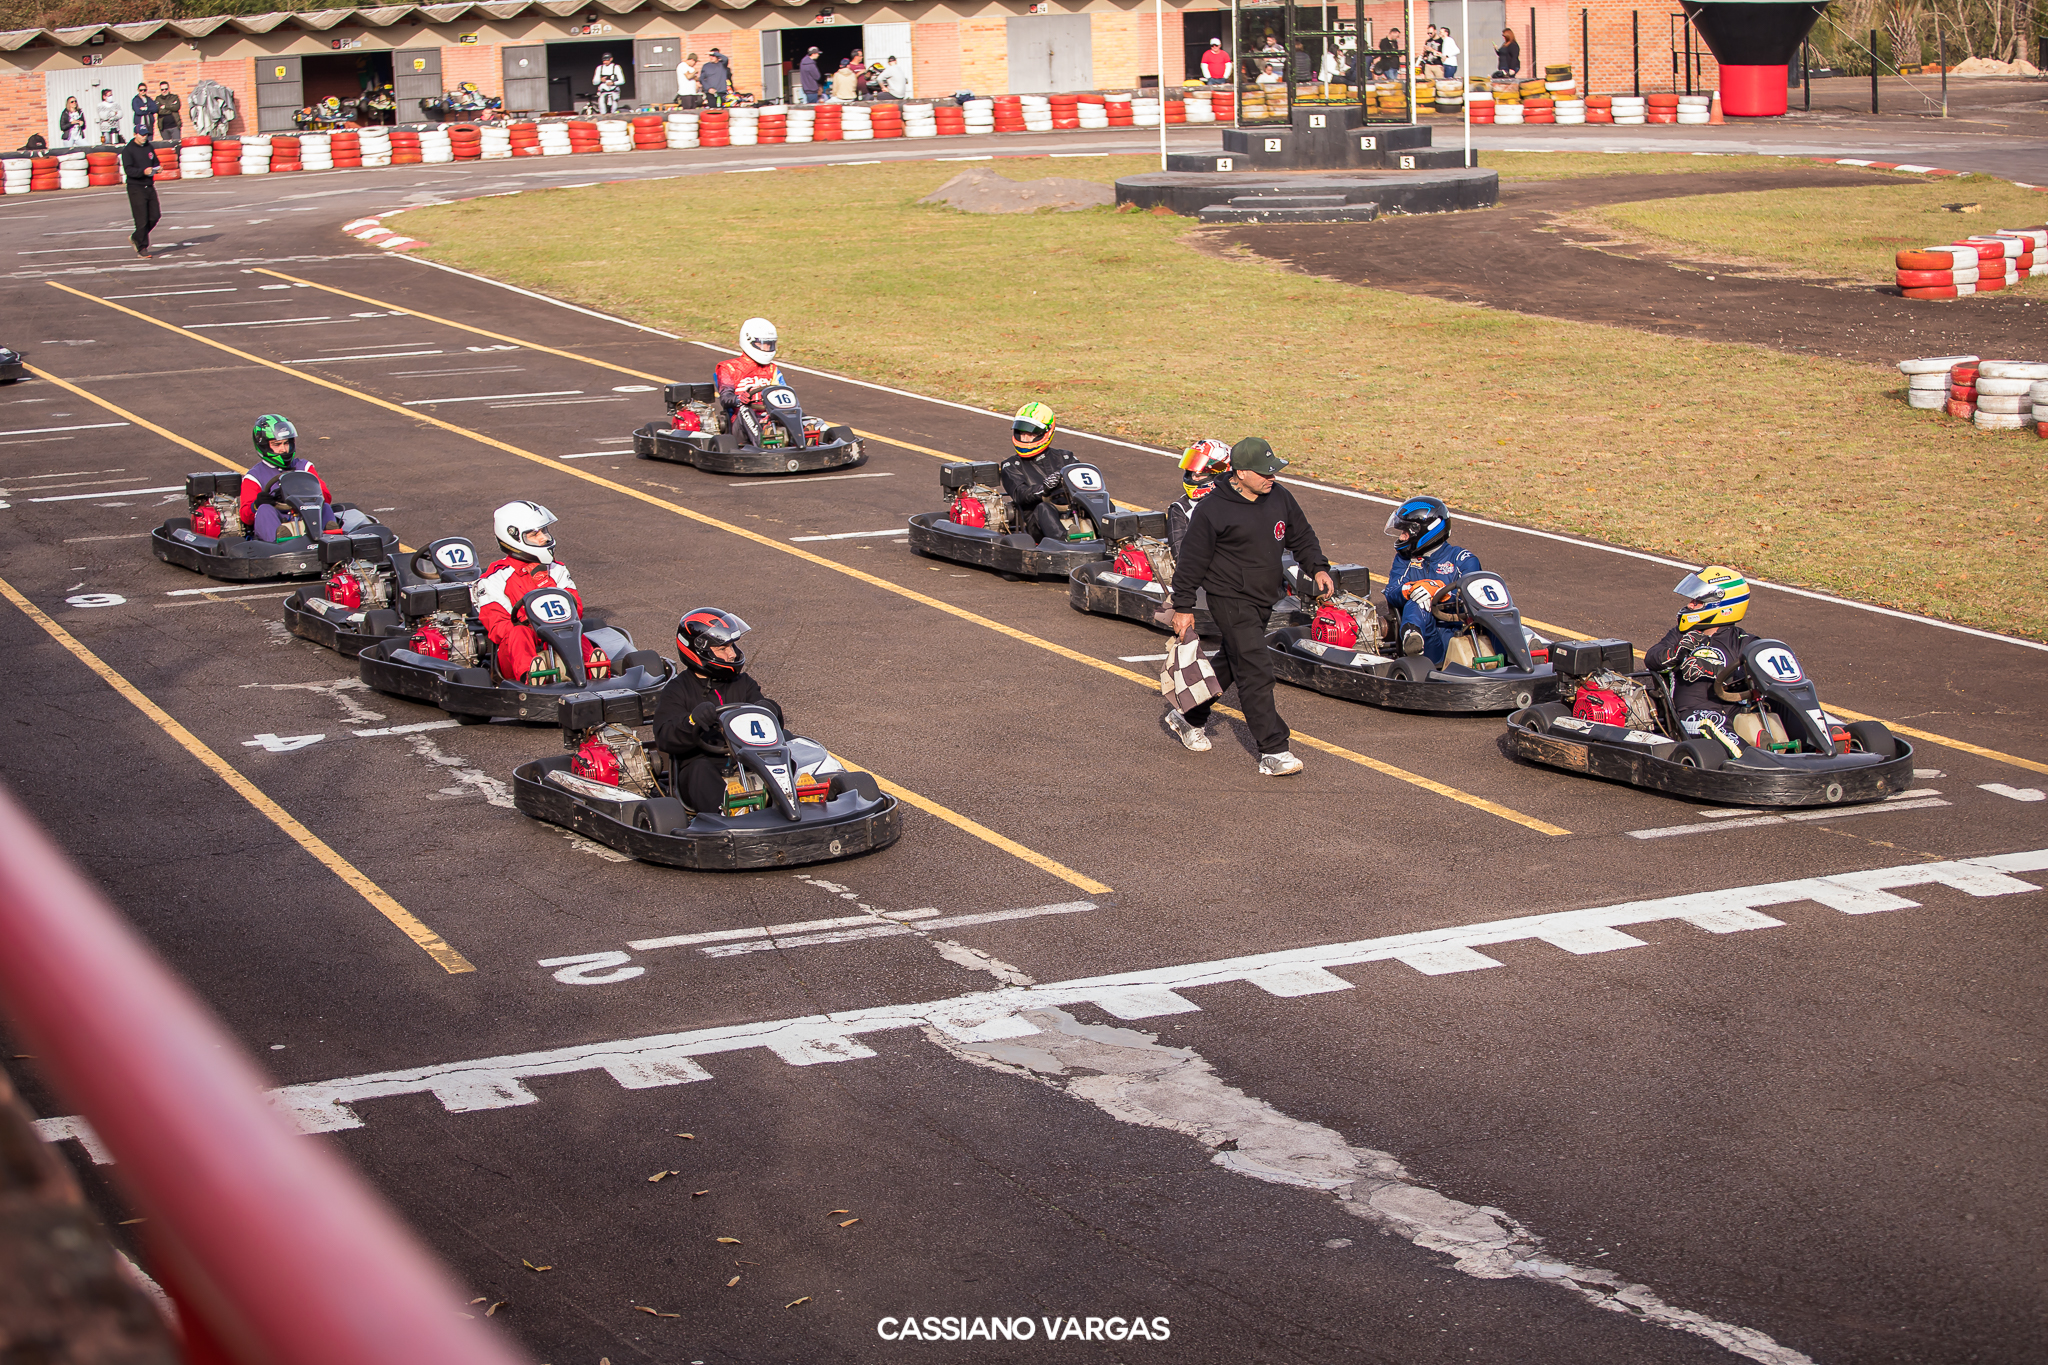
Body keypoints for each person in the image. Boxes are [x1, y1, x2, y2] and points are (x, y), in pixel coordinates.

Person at [1165, 439, 1330, 774]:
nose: (1272, 476)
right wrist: (1183, 607)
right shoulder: (1214, 509)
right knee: (1256, 669)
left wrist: (1318, 566)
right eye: (1264, 471)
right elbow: (1191, 562)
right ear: (1240, 472)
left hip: (1263, 598)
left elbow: (1301, 536)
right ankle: (1273, 750)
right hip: (1229, 598)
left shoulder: (1279, 496)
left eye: (1274, 470)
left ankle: (1187, 716)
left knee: (1230, 662)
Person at [651, 608, 783, 813]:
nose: (732, 654)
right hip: (704, 768)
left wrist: (770, 709)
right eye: (723, 648)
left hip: (747, 762)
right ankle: (729, 813)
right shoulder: (678, 690)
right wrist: (692, 721)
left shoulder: (742, 683)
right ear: (700, 651)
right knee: (699, 771)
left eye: (732, 646)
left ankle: (798, 798)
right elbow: (665, 736)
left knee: (788, 747)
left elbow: (767, 720)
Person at [475, 501, 610, 685]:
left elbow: (575, 611)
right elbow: (498, 627)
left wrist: (546, 584)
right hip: (516, 653)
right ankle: (531, 677)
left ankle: (593, 668)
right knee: (518, 633)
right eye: (534, 534)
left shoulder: (556, 569)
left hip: (558, 638)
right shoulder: (493, 579)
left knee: (574, 628)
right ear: (513, 537)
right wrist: (533, 622)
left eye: (544, 531)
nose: (544, 538)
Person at [1644, 566, 1756, 737]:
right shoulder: (1680, 635)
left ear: (1721, 604)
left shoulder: (1743, 640)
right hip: (1693, 716)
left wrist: (1713, 670)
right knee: (1712, 722)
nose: (1690, 605)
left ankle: (1809, 751)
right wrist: (1677, 653)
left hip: (1734, 711)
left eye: (1697, 602)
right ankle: (1749, 760)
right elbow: (1652, 658)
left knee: (1783, 706)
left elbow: (1761, 678)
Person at [1381, 495, 1482, 663]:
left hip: (1466, 633)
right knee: (1418, 598)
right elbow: (1392, 592)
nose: (1402, 537)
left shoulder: (1463, 559)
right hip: (1432, 639)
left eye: (1406, 532)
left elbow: (1476, 596)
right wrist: (1412, 588)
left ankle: (1523, 645)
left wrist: (1442, 592)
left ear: (1425, 531)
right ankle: (1412, 640)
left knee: (1495, 603)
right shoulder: (1404, 559)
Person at [238, 416, 338, 543]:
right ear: (264, 446)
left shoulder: (305, 467)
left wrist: (306, 492)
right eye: (277, 444)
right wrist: (256, 505)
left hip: (307, 518)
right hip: (279, 520)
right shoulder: (254, 477)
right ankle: (281, 540)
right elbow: (246, 516)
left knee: (325, 507)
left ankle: (332, 537)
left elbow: (326, 496)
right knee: (264, 510)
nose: (284, 449)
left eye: (286, 443)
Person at [997, 401, 1084, 542]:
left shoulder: (1065, 457)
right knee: (1044, 508)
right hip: (1035, 524)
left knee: (1100, 499)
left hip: (1071, 512)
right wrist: (1044, 488)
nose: (1025, 438)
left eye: (1031, 434)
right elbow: (1020, 494)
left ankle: (1117, 538)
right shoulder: (1011, 465)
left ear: (1046, 432)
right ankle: (1066, 542)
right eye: (1022, 433)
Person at [1167, 439, 1231, 558]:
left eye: (1203, 471)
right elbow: (1181, 555)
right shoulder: (1181, 508)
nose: (1195, 476)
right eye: (1192, 469)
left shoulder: (1240, 500)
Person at [118, 126, 160, 259]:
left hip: (149, 185)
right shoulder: (128, 150)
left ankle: (136, 237)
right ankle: (142, 247)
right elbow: (129, 170)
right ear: (135, 134)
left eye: (146, 135)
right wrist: (143, 172)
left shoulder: (149, 147)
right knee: (141, 219)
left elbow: (155, 162)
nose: (144, 137)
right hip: (136, 187)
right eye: (141, 135)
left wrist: (157, 168)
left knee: (155, 216)